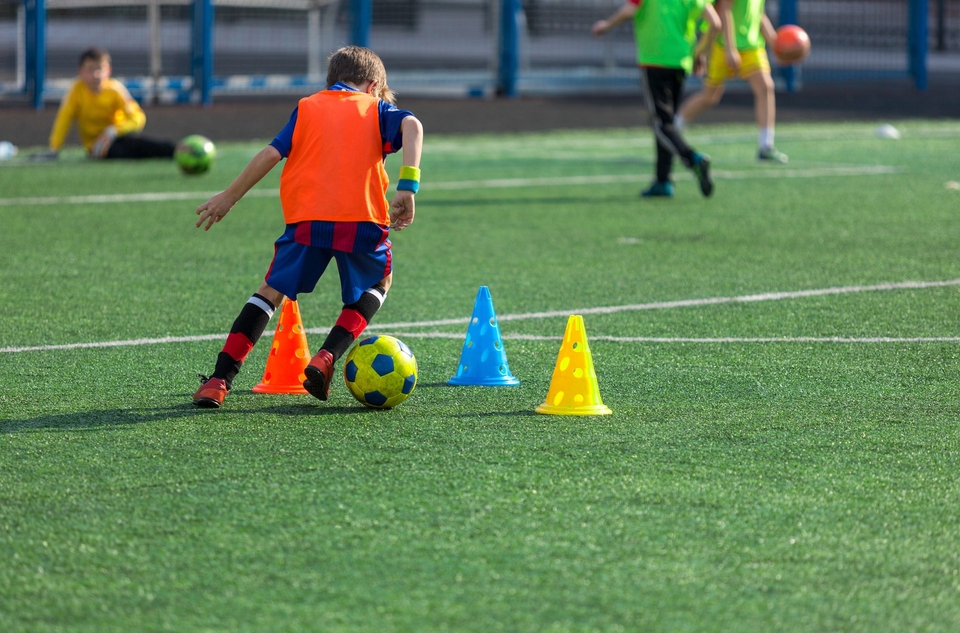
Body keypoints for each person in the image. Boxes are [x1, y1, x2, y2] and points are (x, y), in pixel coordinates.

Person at [192, 45, 424, 409]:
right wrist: (408, 187)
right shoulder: (376, 107)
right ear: (373, 85)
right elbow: (413, 124)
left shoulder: (307, 106)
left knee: (271, 291)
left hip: (306, 222)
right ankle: (328, 356)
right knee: (380, 281)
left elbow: (271, 153)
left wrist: (229, 197)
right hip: (361, 220)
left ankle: (218, 381)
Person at [593, 0, 720, 198]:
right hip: (681, 60)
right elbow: (715, 23)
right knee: (667, 125)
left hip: (654, 59)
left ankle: (693, 159)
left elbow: (630, 9)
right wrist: (700, 52)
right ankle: (663, 181)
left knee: (661, 124)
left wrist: (607, 25)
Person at [677, 0, 787, 163]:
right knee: (709, 97)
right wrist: (730, 48)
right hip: (723, 46)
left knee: (766, 87)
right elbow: (724, 10)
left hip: (752, 47)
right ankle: (673, 130)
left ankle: (766, 146)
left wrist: (775, 44)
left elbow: (759, 14)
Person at [45, 48, 176, 160]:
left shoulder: (115, 90)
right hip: (96, 146)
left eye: (100, 69)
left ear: (108, 70)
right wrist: (54, 149)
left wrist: (113, 131)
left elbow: (138, 118)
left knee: (143, 144)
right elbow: (64, 118)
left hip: (119, 136)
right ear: (81, 71)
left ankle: (176, 149)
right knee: (119, 152)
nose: (96, 74)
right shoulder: (76, 91)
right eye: (90, 69)